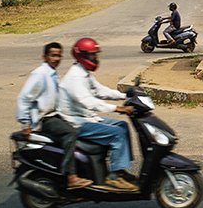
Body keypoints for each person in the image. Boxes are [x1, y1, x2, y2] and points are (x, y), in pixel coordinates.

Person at [57, 38, 138, 192]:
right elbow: (89, 102)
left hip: (87, 117)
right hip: (76, 123)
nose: (95, 58)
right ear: (82, 55)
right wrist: (117, 109)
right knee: (117, 133)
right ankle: (114, 176)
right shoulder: (75, 77)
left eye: (96, 55)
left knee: (123, 125)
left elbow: (99, 90)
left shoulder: (83, 72)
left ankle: (120, 169)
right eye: (92, 55)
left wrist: (124, 95)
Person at [16, 42, 91, 189]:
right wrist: (25, 124)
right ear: (45, 57)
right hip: (46, 119)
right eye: (53, 55)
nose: (56, 58)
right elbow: (24, 98)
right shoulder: (40, 74)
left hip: (55, 115)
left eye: (59, 55)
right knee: (70, 133)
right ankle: (71, 176)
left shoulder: (52, 73)